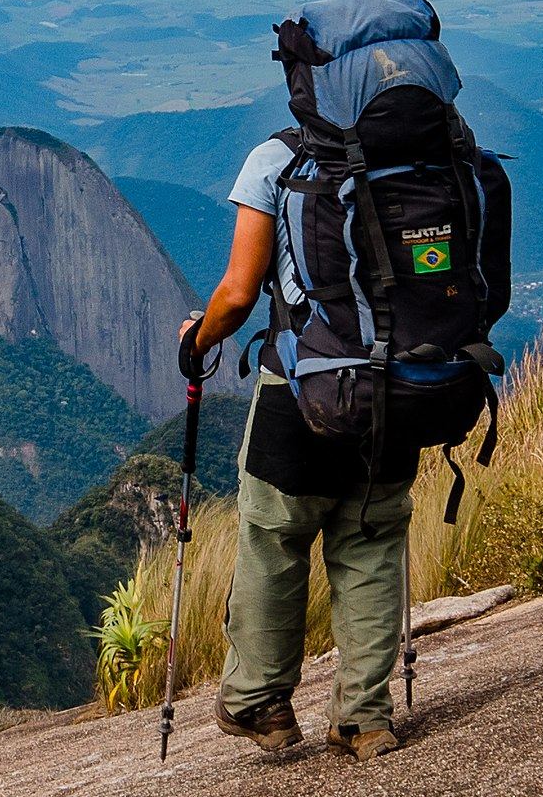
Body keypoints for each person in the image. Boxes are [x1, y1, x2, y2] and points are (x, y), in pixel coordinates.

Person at [177, 136, 424, 764]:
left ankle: (262, 701)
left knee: (273, 542)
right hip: (398, 392)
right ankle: (365, 719)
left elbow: (238, 293)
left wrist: (197, 340)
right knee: (370, 544)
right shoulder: (426, 149)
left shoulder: (278, 158)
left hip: (300, 394)